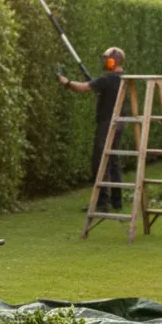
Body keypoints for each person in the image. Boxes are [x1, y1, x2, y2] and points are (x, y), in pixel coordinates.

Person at [58, 47, 126, 213]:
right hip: (121, 122)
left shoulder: (107, 79)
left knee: (100, 161)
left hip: (107, 124)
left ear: (113, 61)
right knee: (113, 159)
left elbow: (83, 88)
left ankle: (102, 202)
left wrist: (66, 82)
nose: (104, 62)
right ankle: (117, 200)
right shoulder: (125, 78)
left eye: (107, 59)